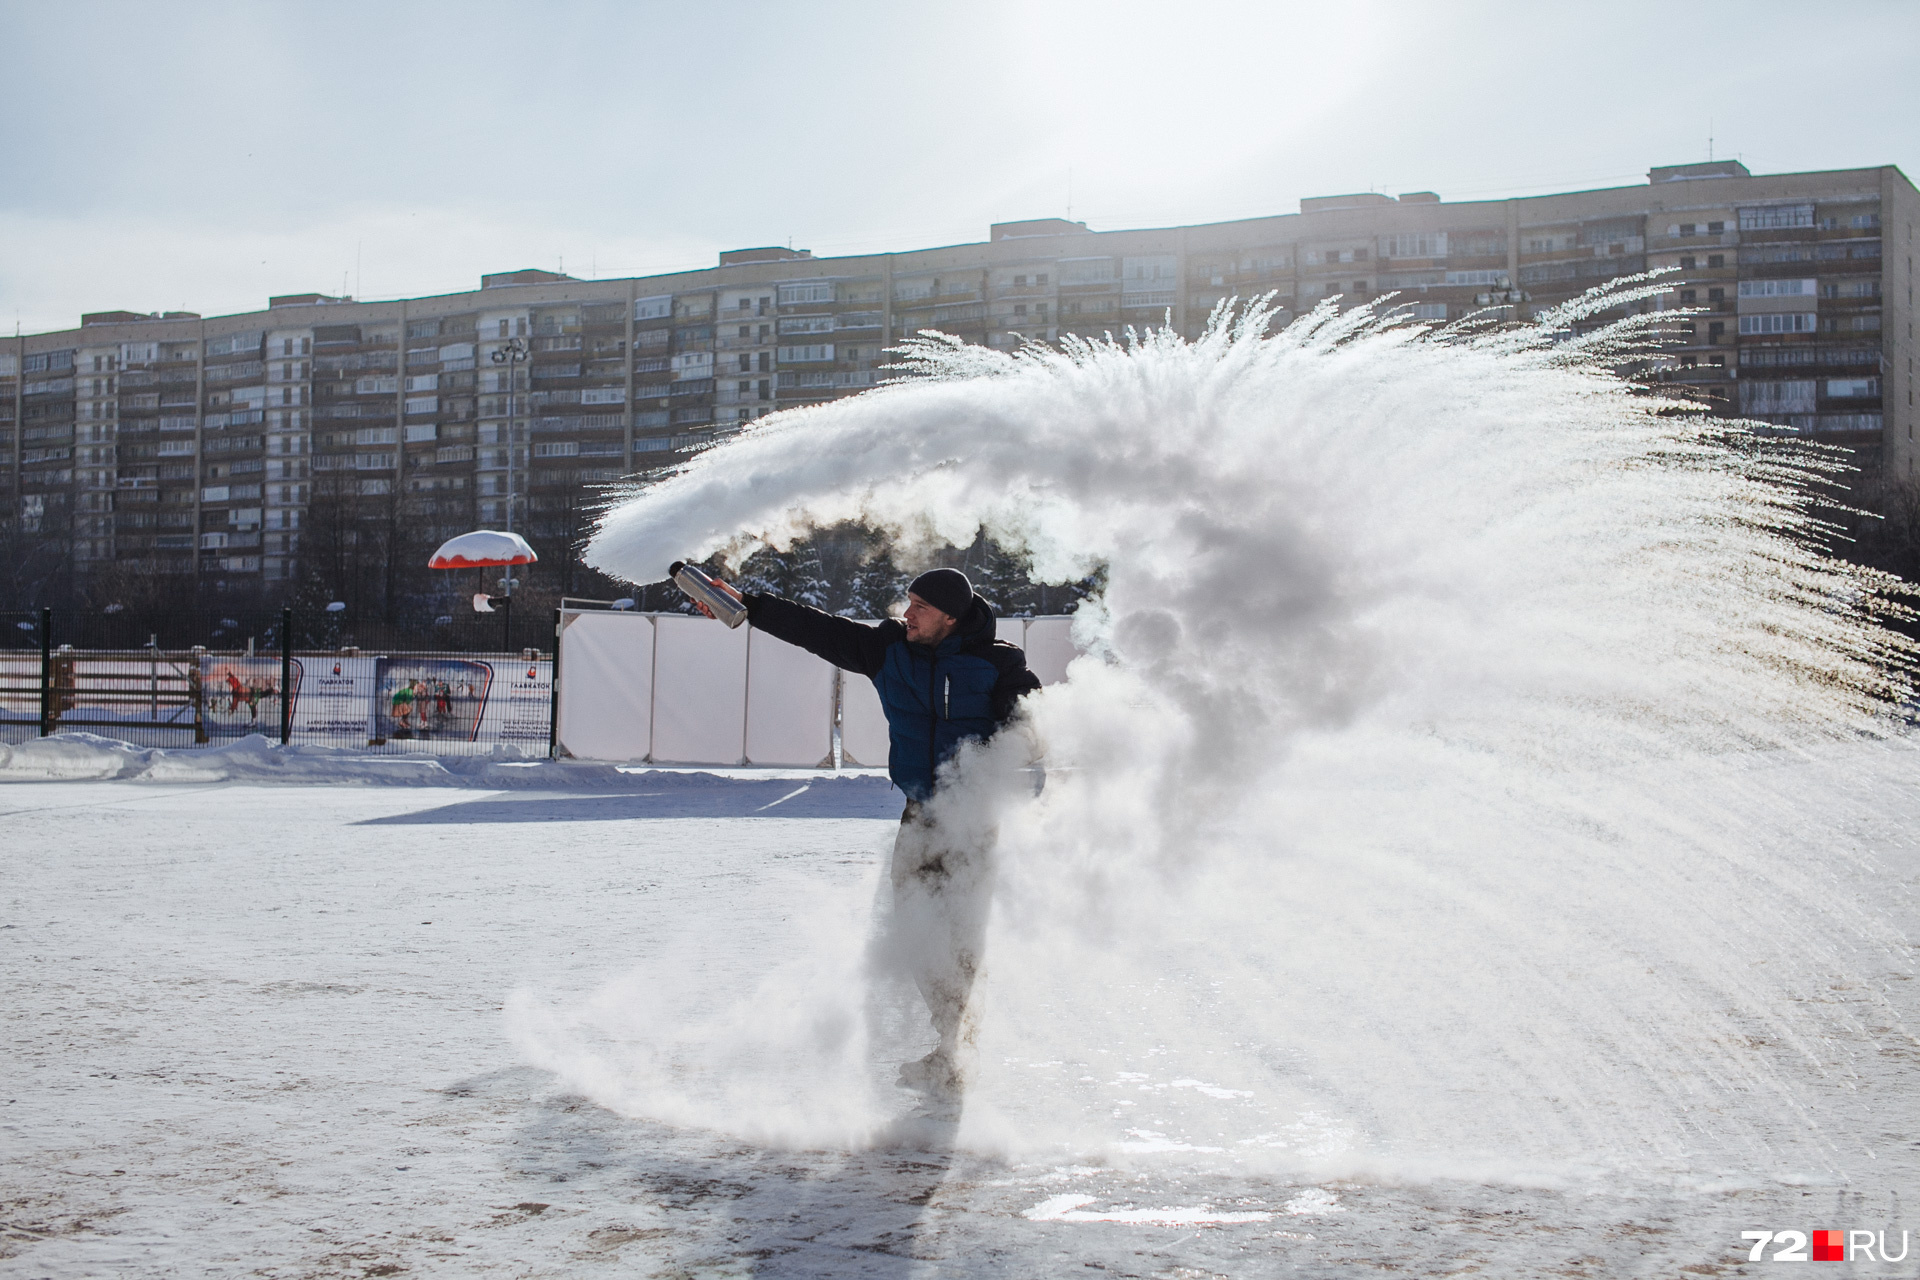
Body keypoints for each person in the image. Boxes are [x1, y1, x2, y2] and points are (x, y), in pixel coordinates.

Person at [697, 566, 1041, 1096]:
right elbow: (818, 629)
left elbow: (1029, 721)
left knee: (959, 932)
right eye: (909, 602)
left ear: (950, 616)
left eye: (921, 608)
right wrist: (751, 606)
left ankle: (955, 1051)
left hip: (972, 818)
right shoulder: (889, 651)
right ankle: (950, 1043)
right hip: (919, 814)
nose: (908, 614)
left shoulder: (998, 662)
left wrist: (1024, 741)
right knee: (914, 929)